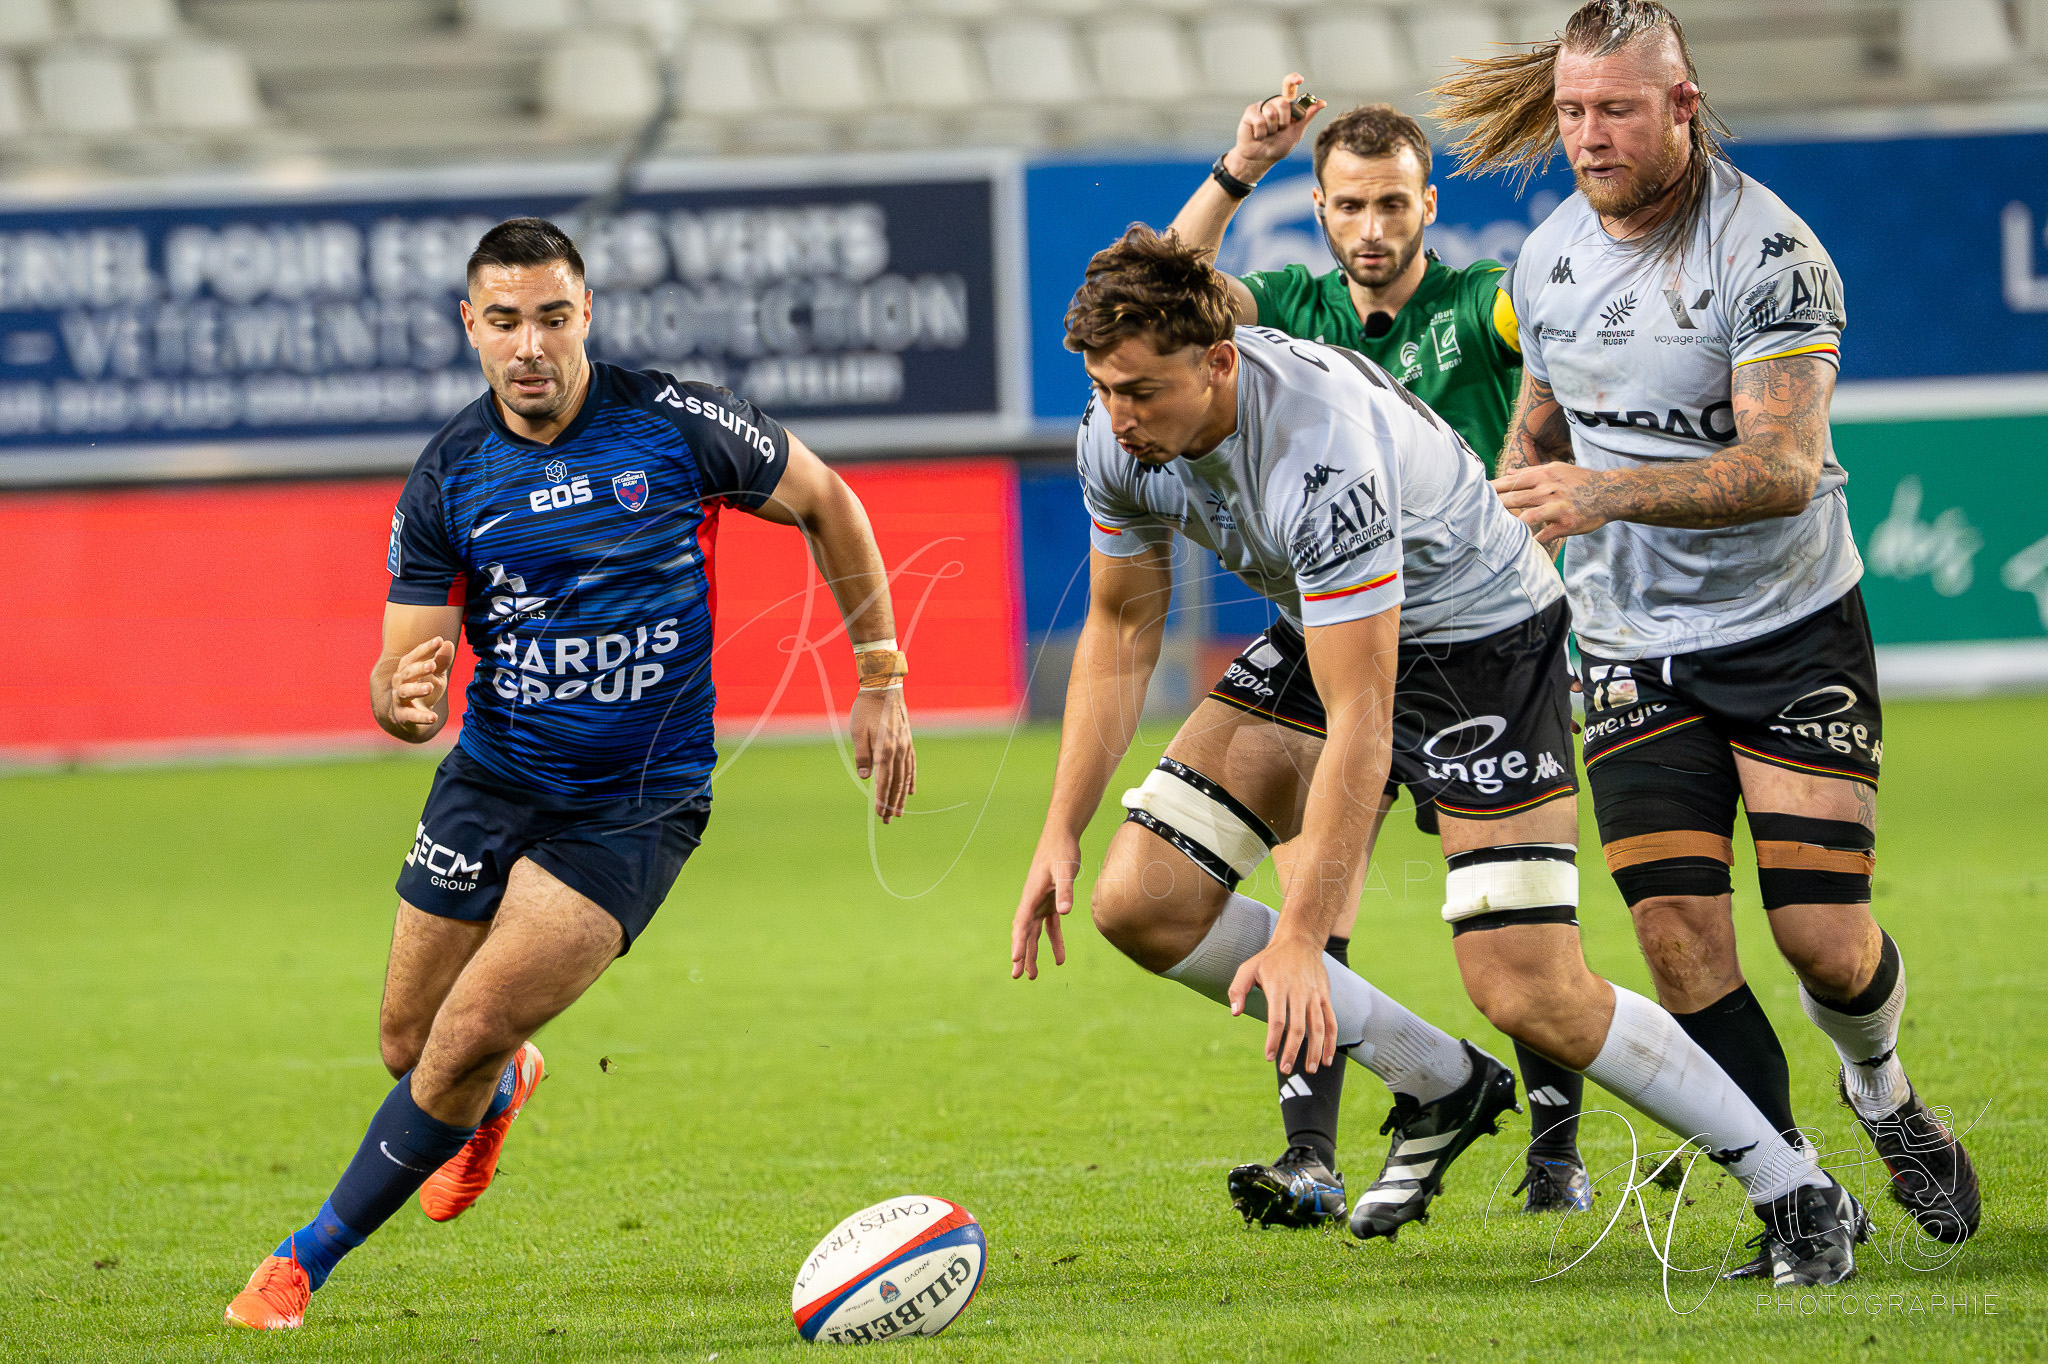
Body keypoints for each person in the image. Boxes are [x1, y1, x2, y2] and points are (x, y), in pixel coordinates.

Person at [1009, 226, 1862, 1285]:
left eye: (1140, 390)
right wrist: (1059, 830)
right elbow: (1122, 623)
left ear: (1218, 361)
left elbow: (1361, 720)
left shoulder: (1316, 452)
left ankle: (1794, 1186)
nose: (1118, 414)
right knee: (1140, 898)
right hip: (1332, 629)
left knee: (1528, 988)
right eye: (1102, 389)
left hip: (1483, 644)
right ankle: (1441, 1082)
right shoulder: (1115, 437)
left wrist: (1303, 936)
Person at [223, 217, 917, 1330]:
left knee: (457, 1038)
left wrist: (879, 674)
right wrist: (399, 703)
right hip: (493, 780)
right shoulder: (449, 474)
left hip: (633, 806)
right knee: (410, 1043)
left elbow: (829, 502)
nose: (531, 344)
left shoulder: (675, 423)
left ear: (586, 312)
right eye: (505, 321)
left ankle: (298, 1264)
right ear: (471, 326)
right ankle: (505, 1083)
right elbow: (402, 672)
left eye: (552, 316)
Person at [1433, 0, 1980, 1268]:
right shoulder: (1546, 256)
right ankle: (1796, 1199)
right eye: (1570, 112)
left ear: (1681, 106)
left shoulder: (1769, 254)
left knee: (1822, 941)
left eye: (1614, 111)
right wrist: (1513, 514)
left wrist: (1600, 495)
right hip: (1627, 642)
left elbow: (1782, 468)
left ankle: (1880, 1089)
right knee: (1677, 943)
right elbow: (1543, 417)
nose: (1586, 136)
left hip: (1787, 628)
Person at [1167, 81, 1591, 1225]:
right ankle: (1308, 1154)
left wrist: (1543, 471)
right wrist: (1236, 167)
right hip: (1342, 636)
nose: (1370, 227)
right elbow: (1162, 292)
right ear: (1316, 207)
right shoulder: (1287, 303)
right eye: (1348, 204)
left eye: (1392, 203)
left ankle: (1554, 1147)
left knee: (1505, 902)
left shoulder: (1479, 300)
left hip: (1472, 641)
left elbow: (1561, 337)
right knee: (1314, 879)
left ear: (1426, 205)